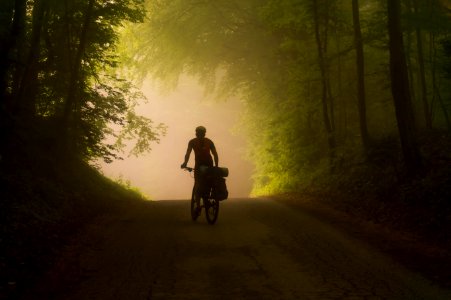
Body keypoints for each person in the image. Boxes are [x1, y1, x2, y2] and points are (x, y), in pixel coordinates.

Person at [181, 126, 218, 205]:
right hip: (209, 164)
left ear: (196, 133)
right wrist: (216, 166)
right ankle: (207, 197)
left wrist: (185, 163)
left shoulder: (192, 142)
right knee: (209, 181)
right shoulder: (209, 141)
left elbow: (188, 153)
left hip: (199, 165)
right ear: (204, 133)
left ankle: (198, 206)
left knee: (197, 183)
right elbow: (215, 155)